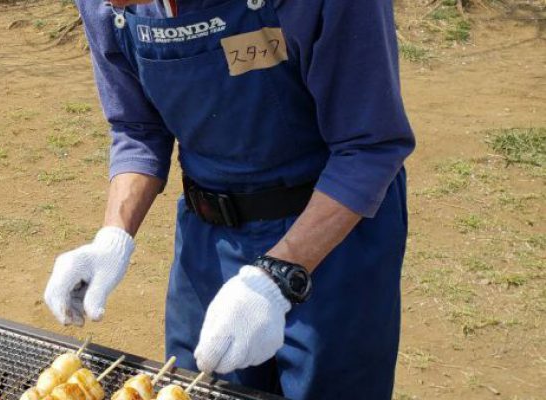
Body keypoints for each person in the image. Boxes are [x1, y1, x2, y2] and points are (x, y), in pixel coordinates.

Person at [43, 0, 415, 398]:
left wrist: (277, 276)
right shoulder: (109, 7)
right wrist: (113, 238)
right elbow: (137, 127)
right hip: (209, 242)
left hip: (334, 238)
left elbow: (369, 147)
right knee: (197, 388)